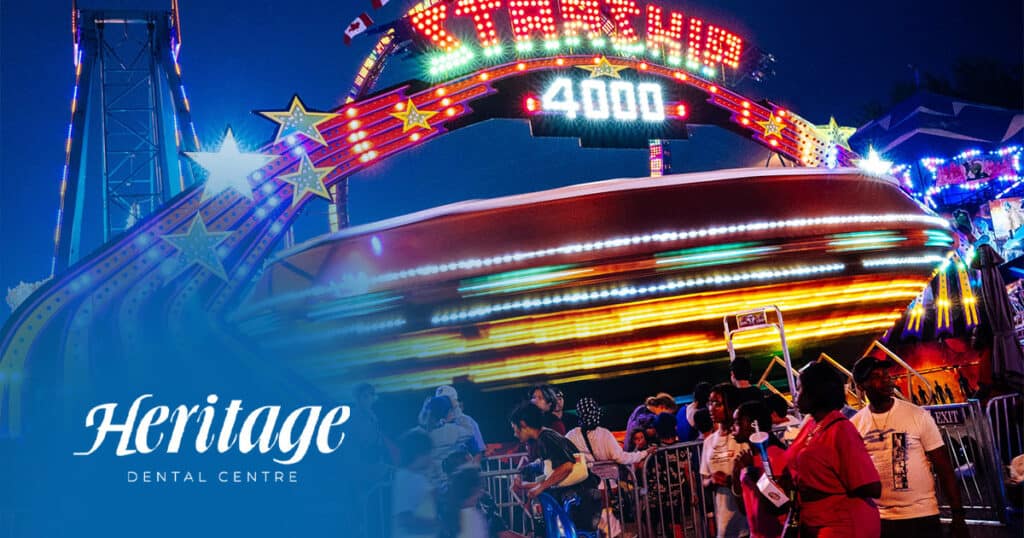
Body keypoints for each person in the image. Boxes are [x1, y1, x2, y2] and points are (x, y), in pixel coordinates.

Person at [849, 356, 969, 538]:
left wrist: (958, 516)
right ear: (861, 386)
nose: (886, 379)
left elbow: (944, 468)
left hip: (921, 515)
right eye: (876, 376)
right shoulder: (856, 424)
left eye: (886, 374)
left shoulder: (917, 415)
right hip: (880, 518)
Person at [785, 362, 881, 537]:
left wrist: (821, 488)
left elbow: (871, 487)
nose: (794, 396)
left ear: (816, 392)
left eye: (799, 389)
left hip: (843, 524)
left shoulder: (841, 429)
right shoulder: (811, 425)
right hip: (817, 522)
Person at [510, 402, 602, 532]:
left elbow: (566, 466)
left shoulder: (546, 438)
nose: (515, 434)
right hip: (581, 496)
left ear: (523, 424)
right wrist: (526, 485)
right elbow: (553, 475)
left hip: (581, 498)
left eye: (515, 429)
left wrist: (540, 488)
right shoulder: (546, 438)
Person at [731, 401, 788, 538]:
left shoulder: (775, 456)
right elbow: (745, 510)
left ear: (752, 425)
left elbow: (779, 503)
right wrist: (735, 479)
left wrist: (752, 471)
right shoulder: (747, 460)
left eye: (737, 422)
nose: (732, 427)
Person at [701, 383, 750, 538]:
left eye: (718, 404)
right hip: (723, 522)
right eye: (710, 403)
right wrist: (712, 480)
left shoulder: (742, 437)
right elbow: (704, 478)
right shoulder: (708, 442)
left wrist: (732, 480)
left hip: (746, 521)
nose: (712, 408)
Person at [565, 396, 653, 465]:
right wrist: (644, 453)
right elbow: (620, 457)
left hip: (585, 484)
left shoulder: (571, 435)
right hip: (607, 483)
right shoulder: (604, 434)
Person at [392, 429, 440, 538]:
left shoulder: (418, 477)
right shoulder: (405, 478)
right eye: (429, 453)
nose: (431, 458)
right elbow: (404, 518)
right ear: (419, 453)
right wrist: (439, 524)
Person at [424, 396, 478, 484]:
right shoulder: (450, 431)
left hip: (431, 482)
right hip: (449, 480)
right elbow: (469, 431)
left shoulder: (424, 433)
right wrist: (457, 409)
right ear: (448, 412)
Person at [436, 385, 486, 455]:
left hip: (462, 464)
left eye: (446, 400)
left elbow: (479, 451)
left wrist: (470, 465)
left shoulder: (468, 421)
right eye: (440, 401)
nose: (443, 404)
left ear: (454, 401)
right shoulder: (434, 423)